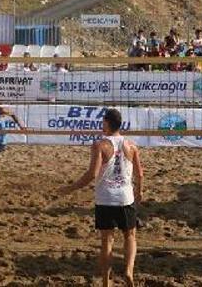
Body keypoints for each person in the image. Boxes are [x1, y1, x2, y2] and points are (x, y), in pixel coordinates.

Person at [58, 109, 144, 287]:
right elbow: (140, 175)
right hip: (125, 197)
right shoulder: (132, 145)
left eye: (103, 121)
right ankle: (128, 270)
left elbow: (92, 174)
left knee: (107, 239)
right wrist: (139, 192)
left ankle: (106, 282)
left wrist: (71, 188)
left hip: (105, 198)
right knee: (130, 236)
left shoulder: (99, 145)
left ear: (106, 123)